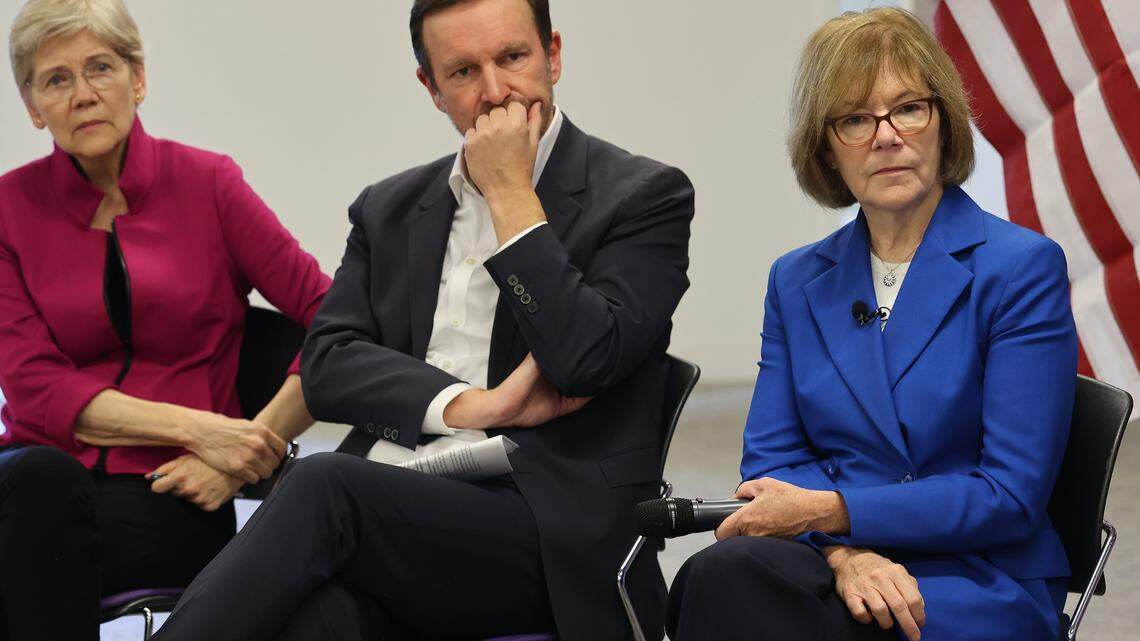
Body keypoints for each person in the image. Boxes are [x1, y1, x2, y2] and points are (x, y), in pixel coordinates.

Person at [150, 1, 694, 640]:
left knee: (324, 485)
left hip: (543, 529)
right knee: (317, 622)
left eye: (513, 58)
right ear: (431, 89)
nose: (495, 93)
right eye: (464, 71)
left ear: (553, 54)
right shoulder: (389, 208)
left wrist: (511, 196)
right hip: (398, 506)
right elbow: (326, 364)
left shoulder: (643, 196)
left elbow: (584, 358)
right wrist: (470, 406)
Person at [666, 8, 1076, 641]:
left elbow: (1009, 495)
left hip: (976, 576)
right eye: (856, 119)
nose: (886, 136)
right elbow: (773, 462)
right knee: (718, 574)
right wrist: (845, 552)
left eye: (908, 108)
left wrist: (837, 512)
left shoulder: (1021, 268)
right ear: (826, 150)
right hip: (838, 561)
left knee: (759, 609)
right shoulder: (796, 280)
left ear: (943, 122)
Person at [0, 1, 330, 639]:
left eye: (100, 68)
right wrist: (205, 428)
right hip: (39, 479)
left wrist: (243, 452)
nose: (83, 95)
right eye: (56, 79)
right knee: (38, 486)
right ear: (33, 106)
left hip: (169, 490)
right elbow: (33, 383)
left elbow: (336, 320)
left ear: (138, 78)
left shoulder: (209, 183)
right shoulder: (7, 210)